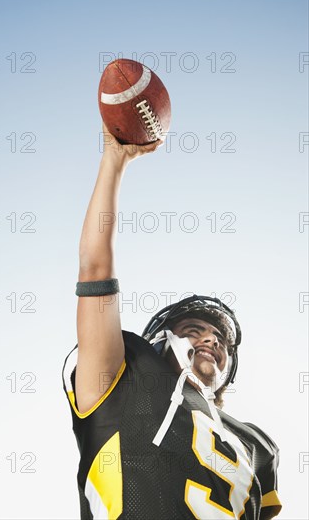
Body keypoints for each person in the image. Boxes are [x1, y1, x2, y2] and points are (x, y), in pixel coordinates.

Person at [62, 125, 282, 519]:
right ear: (161, 342)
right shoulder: (124, 382)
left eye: (219, 338)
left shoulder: (258, 444)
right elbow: (95, 270)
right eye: (193, 330)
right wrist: (114, 162)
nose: (211, 339)